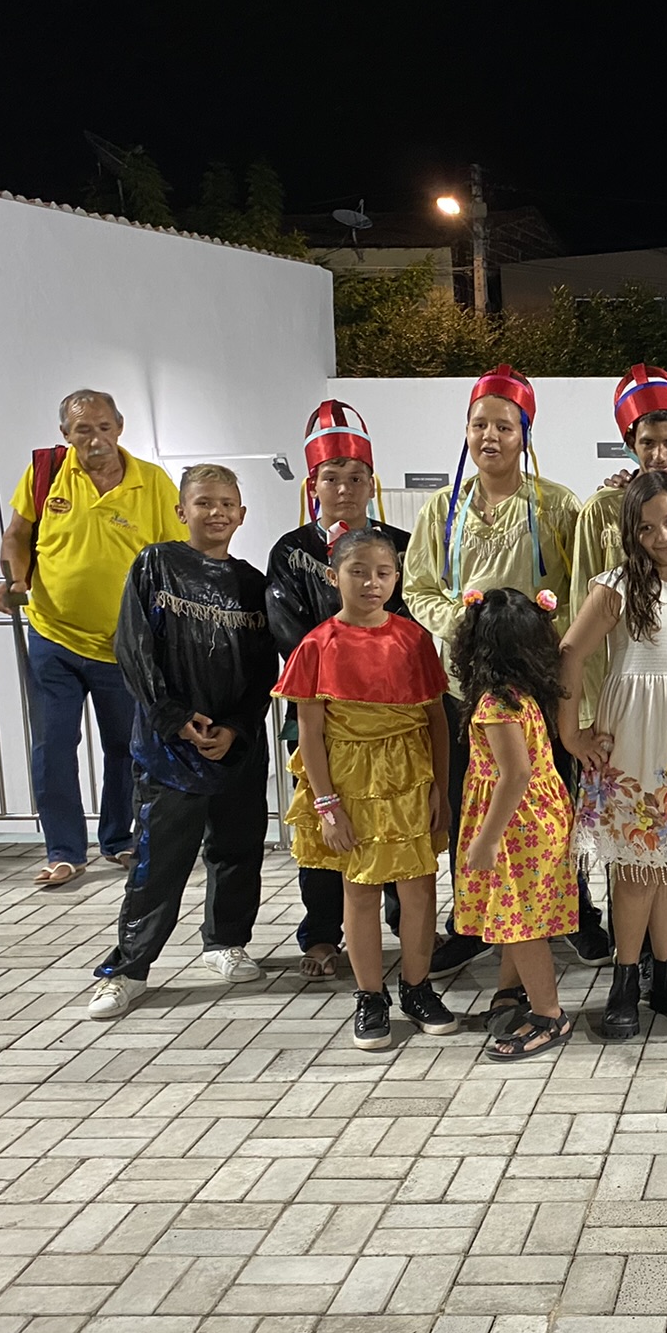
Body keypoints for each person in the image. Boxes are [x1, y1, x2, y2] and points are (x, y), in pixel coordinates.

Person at [404, 366, 587, 973]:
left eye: (504, 426)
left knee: (550, 794)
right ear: (466, 430)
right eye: (480, 424)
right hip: (466, 686)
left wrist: (536, 634)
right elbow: (418, 587)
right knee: (473, 798)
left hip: (538, 685)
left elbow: (579, 587)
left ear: (524, 434)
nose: (491, 436)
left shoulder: (558, 505)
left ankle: (569, 909)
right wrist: (466, 624)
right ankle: (475, 918)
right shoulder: (441, 509)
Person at [86, 465, 277, 1019]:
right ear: (181, 511)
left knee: (238, 850)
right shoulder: (156, 565)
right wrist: (173, 717)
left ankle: (226, 941)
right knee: (159, 860)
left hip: (235, 744)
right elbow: (134, 646)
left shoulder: (251, 584)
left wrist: (236, 727)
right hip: (169, 746)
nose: (216, 513)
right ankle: (128, 969)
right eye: (204, 503)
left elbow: (264, 668)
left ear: (242, 514)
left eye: (227, 504)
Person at [0, 390, 186, 887]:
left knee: (125, 746)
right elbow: (17, 535)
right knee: (53, 744)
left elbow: (174, 556)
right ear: (66, 434)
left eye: (104, 427)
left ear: (119, 427)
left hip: (122, 645)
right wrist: (15, 579)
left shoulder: (152, 481)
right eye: (83, 430)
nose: (96, 438)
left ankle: (118, 840)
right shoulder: (47, 474)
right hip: (52, 635)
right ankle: (63, 851)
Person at [277, 527, 458, 1051]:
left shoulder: (413, 639)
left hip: (410, 777)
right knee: (359, 890)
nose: (371, 583)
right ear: (333, 577)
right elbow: (310, 733)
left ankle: (417, 988)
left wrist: (440, 790)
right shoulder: (317, 644)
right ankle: (369, 996)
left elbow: (437, 722)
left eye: (382, 573)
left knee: (420, 888)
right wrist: (327, 805)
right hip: (349, 782)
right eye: (357, 572)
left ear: (397, 577)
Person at [559, 472, 667, 1039]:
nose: (662, 536)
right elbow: (570, 653)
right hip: (634, 736)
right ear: (630, 534)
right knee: (634, 867)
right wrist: (571, 734)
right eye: (647, 528)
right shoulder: (618, 587)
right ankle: (625, 979)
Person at [569, 367, 667, 956]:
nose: (660, 454)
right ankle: (626, 968)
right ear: (630, 444)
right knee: (633, 857)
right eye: (648, 443)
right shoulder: (601, 517)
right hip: (628, 718)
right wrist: (579, 723)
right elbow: (576, 639)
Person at [265, 400, 412, 980]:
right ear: (313, 484)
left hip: (391, 718)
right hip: (319, 713)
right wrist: (342, 679)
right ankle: (322, 933)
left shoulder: (399, 544)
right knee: (323, 823)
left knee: (397, 816)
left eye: (356, 478)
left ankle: (402, 925)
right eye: (332, 478)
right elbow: (289, 630)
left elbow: (410, 626)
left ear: (372, 483)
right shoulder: (290, 551)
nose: (344, 489)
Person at [453, 587, 581, 1060]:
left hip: (515, 826)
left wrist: (486, 840)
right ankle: (511, 991)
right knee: (518, 913)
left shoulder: (496, 704)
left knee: (520, 923)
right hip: (539, 817)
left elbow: (516, 774)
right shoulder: (524, 694)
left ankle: (549, 1016)